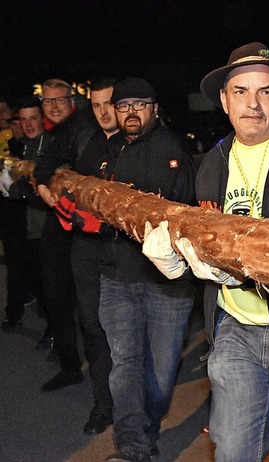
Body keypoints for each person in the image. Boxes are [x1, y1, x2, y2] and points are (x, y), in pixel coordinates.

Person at [143, 41, 269, 461]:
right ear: (223, 99)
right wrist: (176, 261)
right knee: (233, 452)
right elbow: (203, 247)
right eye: (240, 91)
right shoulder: (213, 163)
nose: (252, 104)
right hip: (234, 330)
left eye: (265, 92)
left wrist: (228, 266)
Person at [100, 77, 196, 462]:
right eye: (124, 106)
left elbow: (188, 214)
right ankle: (132, 443)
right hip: (116, 276)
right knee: (123, 363)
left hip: (165, 284)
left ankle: (149, 424)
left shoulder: (174, 151)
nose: (131, 112)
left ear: (154, 108)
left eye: (140, 104)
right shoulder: (107, 149)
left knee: (161, 370)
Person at [33, 78, 94, 391]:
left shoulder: (83, 126)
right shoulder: (56, 133)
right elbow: (44, 162)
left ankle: (102, 380)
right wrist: (43, 182)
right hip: (59, 221)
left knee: (87, 303)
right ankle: (70, 362)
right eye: (48, 101)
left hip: (84, 225)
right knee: (55, 292)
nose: (54, 106)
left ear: (73, 101)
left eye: (60, 99)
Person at [67, 77, 120, 435]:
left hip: (125, 256)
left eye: (109, 104)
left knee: (127, 336)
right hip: (86, 252)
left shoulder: (138, 143)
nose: (103, 113)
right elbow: (54, 165)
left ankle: (134, 402)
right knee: (94, 328)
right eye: (96, 106)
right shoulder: (86, 140)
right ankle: (103, 403)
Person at [0, 97, 52, 331]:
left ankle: (56, 332)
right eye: (24, 119)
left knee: (49, 282)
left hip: (48, 226)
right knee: (29, 273)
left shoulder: (51, 145)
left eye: (33, 118)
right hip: (26, 225)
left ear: (42, 118)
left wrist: (14, 189)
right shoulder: (24, 146)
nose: (28, 124)